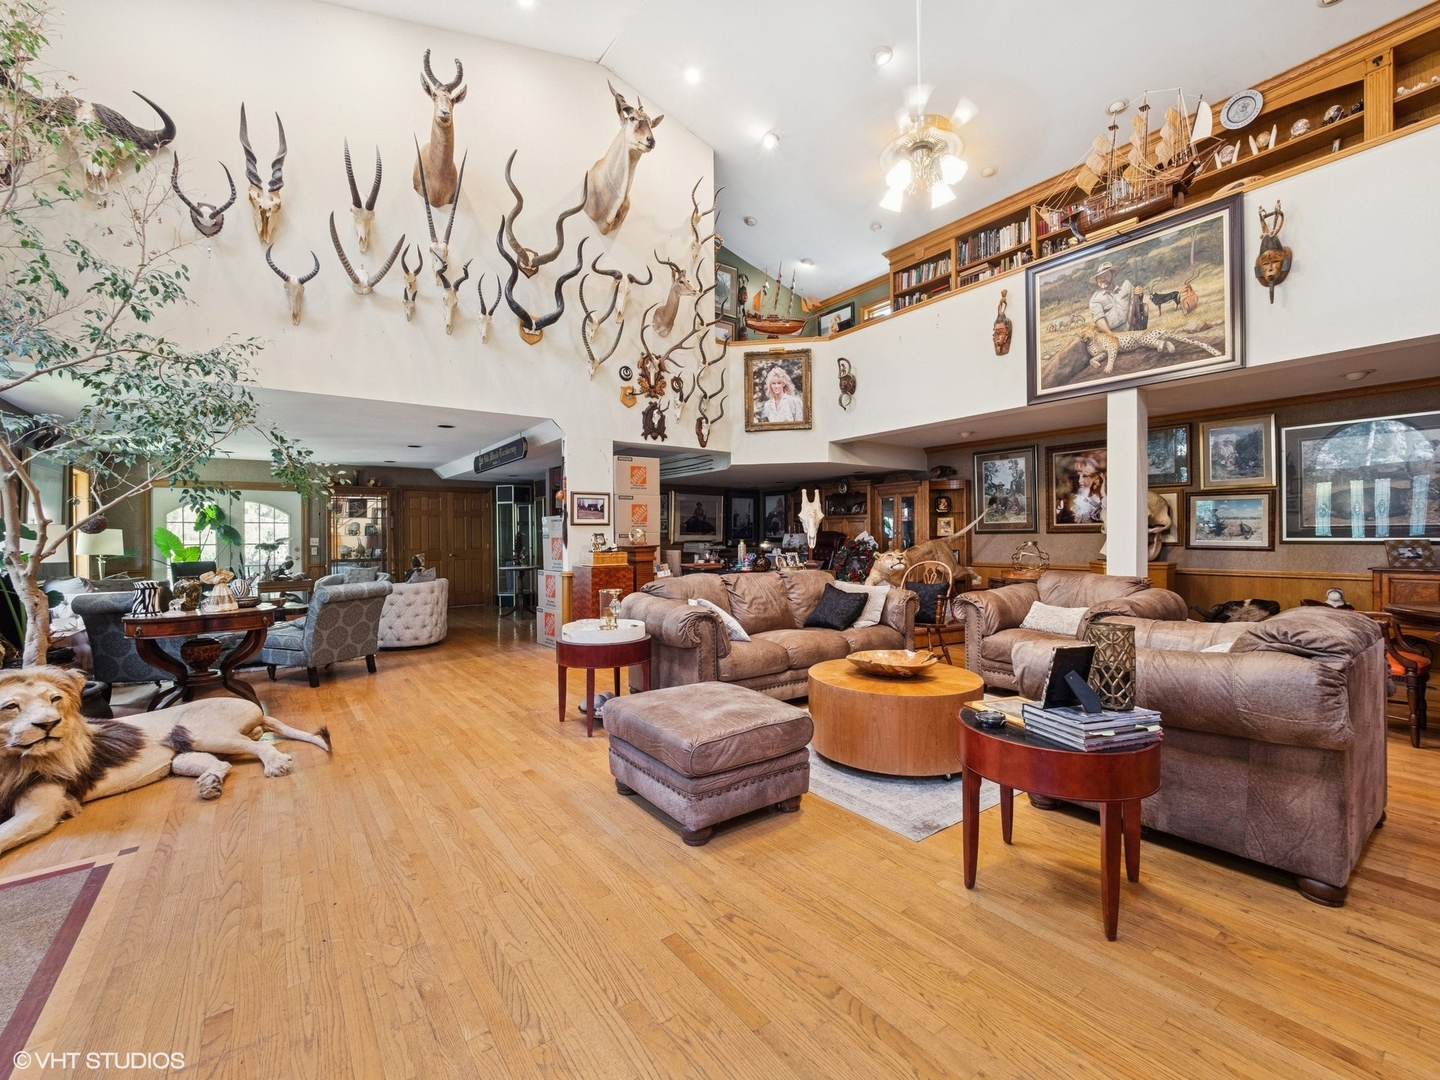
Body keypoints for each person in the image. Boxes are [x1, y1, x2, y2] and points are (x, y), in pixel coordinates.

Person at [1087, 261, 1134, 332]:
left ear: (1113, 274)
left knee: (1145, 307)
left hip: (1130, 325)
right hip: (1111, 331)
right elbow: (1099, 319)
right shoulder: (1094, 300)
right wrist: (1111, 335)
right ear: (1097, 280)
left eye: (1106, 276)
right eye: (1100, 277)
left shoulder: (1125, 285)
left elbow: (1133, 303)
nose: (1103, 279)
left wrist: (1130, 325)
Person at [1066, 455, 1106, 524]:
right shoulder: (1072, 500)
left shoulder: (1101, 500)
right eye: (1076, 476)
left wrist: (1102, 493)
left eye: (1085, 476)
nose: (1079, 480)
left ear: (1095, 477)